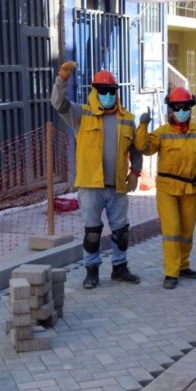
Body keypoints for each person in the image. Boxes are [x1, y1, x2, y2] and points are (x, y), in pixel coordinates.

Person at [51, 65, 142, 289]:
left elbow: (136, 148)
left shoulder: (127, 118)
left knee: (121, 232)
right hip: (91, 186)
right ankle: (91, 272)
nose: (109, 96)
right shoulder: (81, 114)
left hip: (118, 186)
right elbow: (58, 103)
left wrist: (135, 172)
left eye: (112, 91)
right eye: (103, 91)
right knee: (92, 233)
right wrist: (62, 79)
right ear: (95, 91)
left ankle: (120, 268)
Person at [136, 87, 196, 289]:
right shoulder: (162, 133)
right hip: (167, 189)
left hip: (190, 189)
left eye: (185, 107)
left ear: (190, 108)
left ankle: (183, 266)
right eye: (177, 107)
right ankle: (171, 273)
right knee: (172, 230)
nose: (181, 111)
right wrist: (142, 126)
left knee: (187, 231)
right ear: (171, 110)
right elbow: (144, 148)